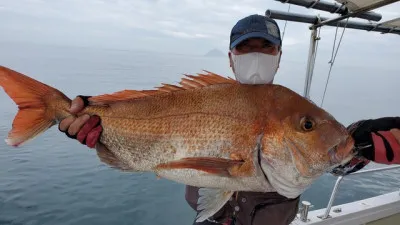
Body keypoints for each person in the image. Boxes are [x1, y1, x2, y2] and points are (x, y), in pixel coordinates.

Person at [58, 14, 400, 225]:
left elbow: (330, 159)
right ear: (231, 57)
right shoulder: (213, 97)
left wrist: (360, 147)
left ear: (278, 58)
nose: (256, 55)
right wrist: (95, 114)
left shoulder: (292, 107)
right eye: (245, 47)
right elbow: (146, 119)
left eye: (266, 48)